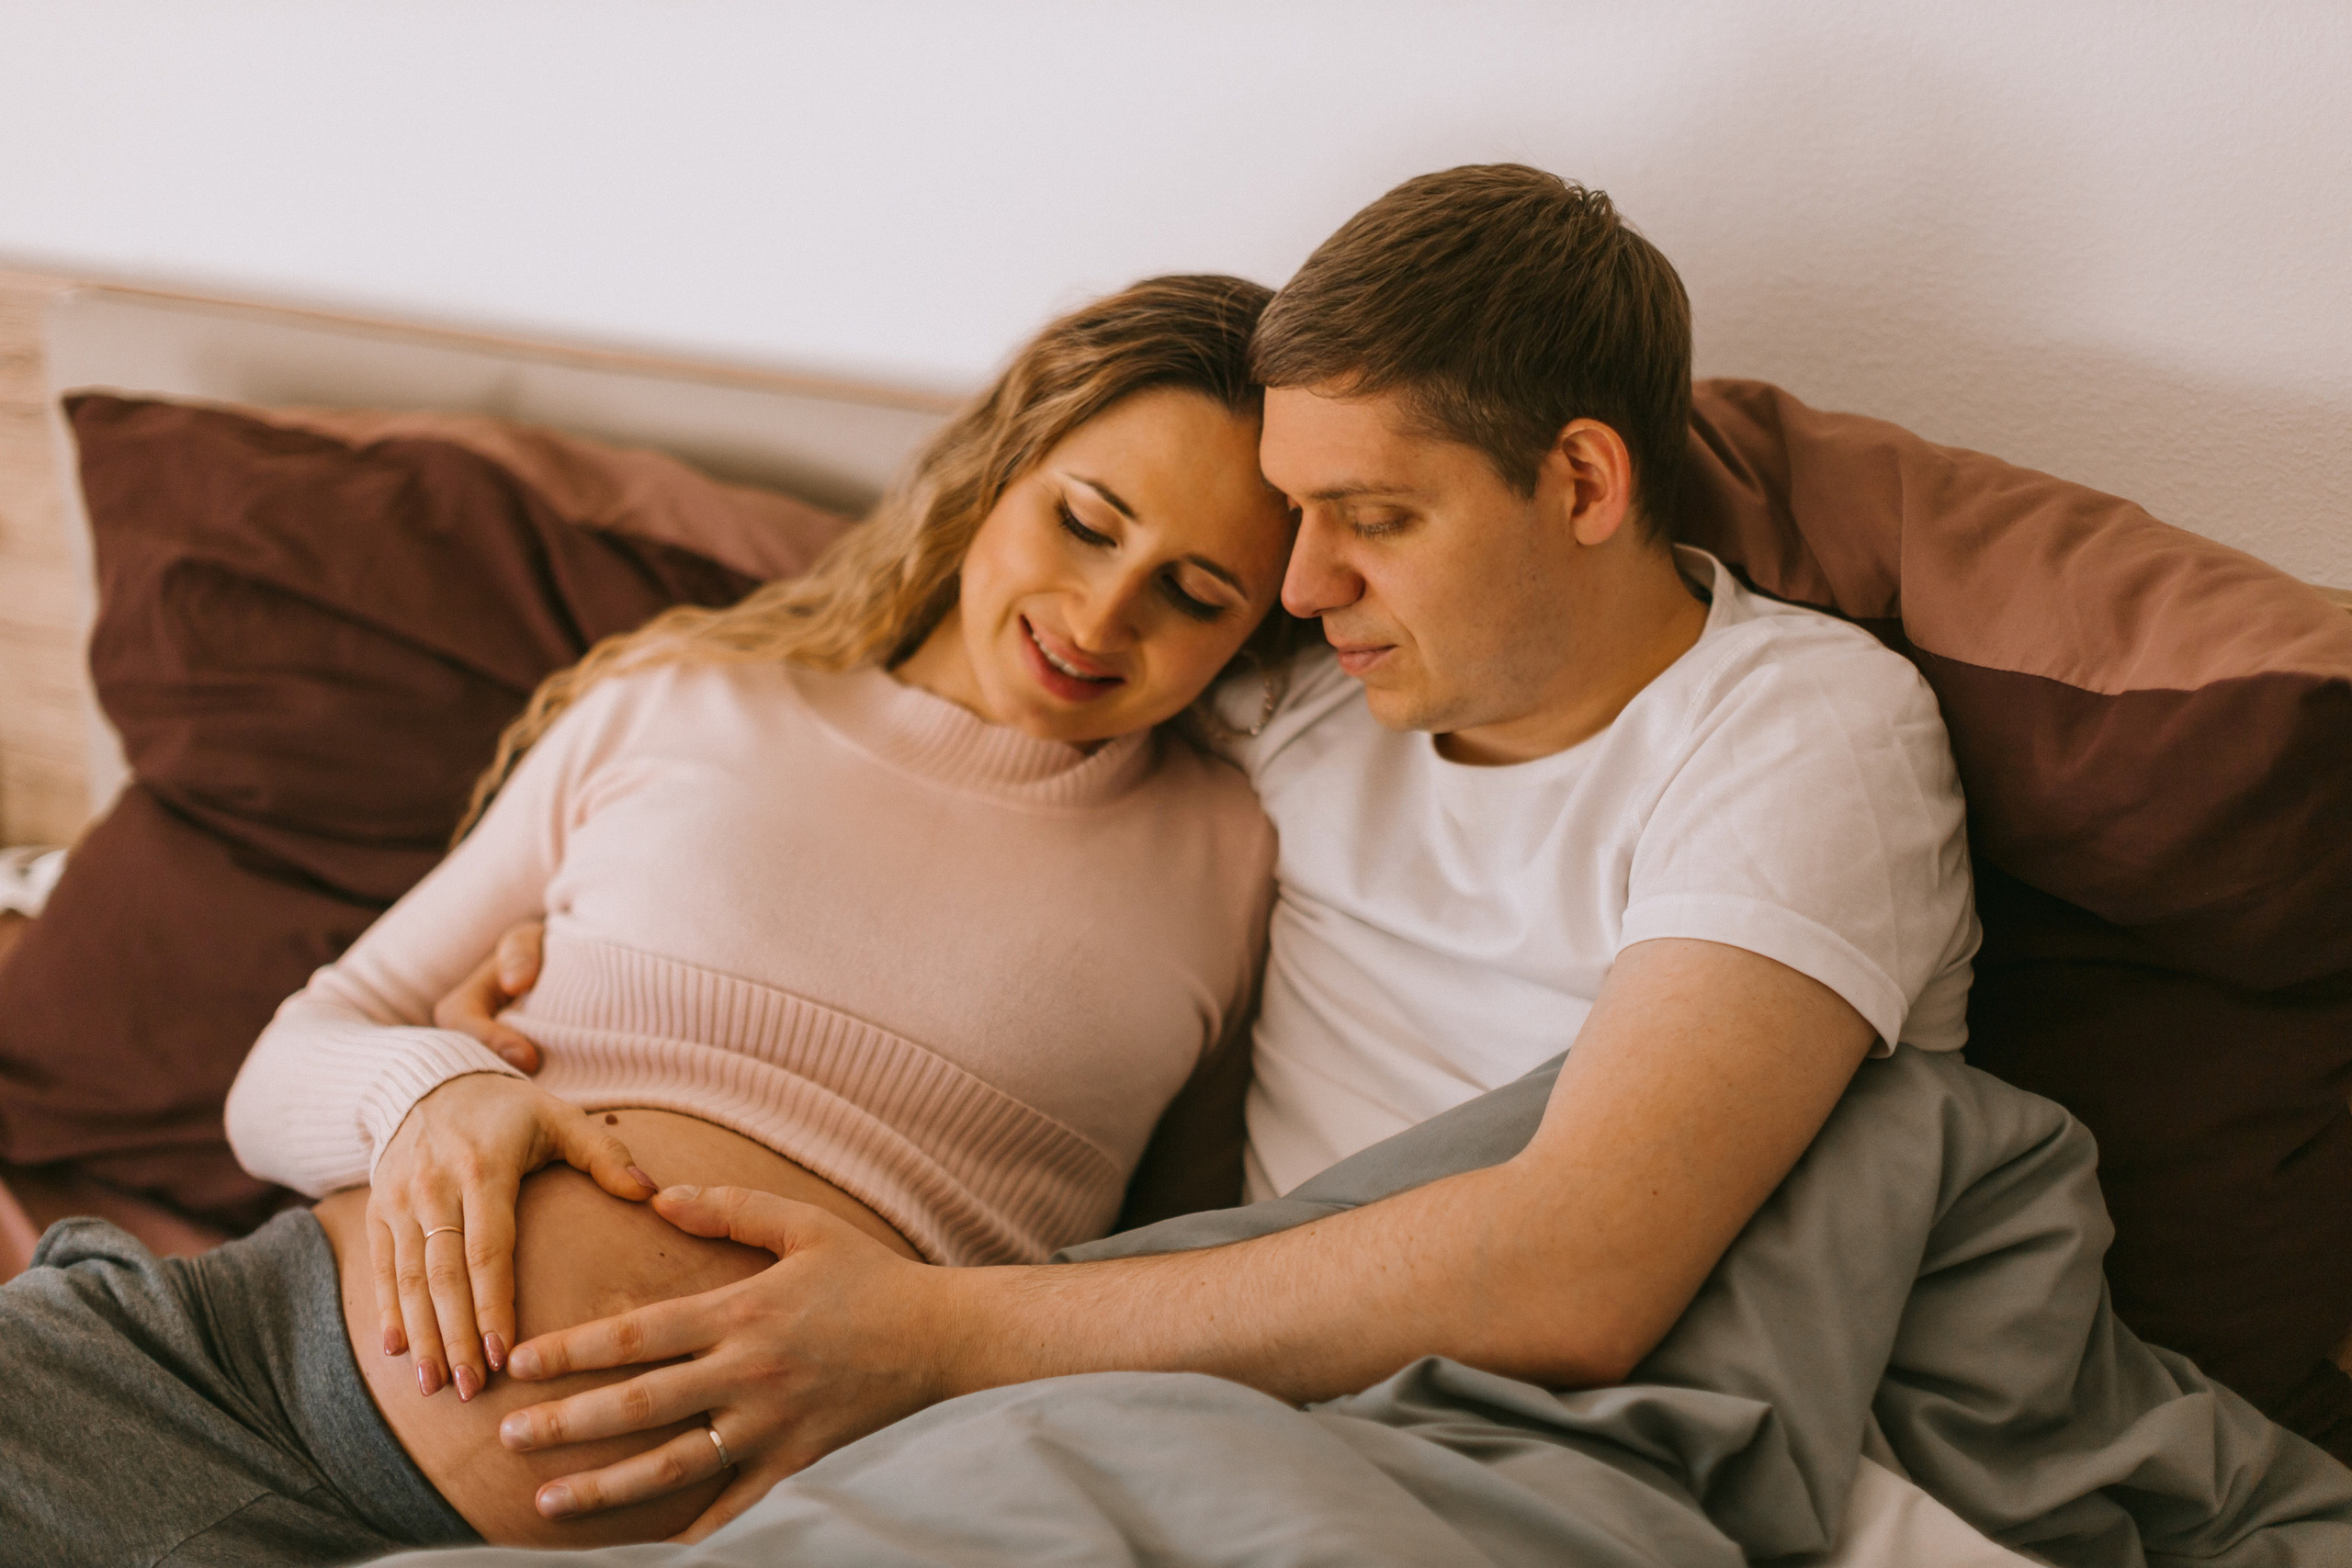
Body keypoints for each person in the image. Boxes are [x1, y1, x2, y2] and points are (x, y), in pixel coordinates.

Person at [449, 164, 1980, 1541]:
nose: (1302, 586)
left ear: (1582, 483)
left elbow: (1577, 1274)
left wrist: (935, 1332)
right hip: (1214, 1414)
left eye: (1371, 516)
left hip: (1545, 1425)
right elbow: (979, 700)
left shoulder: (1800, 729)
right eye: (1295, 519)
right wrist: (566, 964)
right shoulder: (1302, 694)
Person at [0, 274, 1306, 1562]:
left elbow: (1181, 1274)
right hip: (231, 1381)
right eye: (1085, 522)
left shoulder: (1232, 863)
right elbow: (276, 1076)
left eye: (1197, 595)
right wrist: (429, 1092)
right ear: (994, 472)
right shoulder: (685, 700)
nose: (1102, 613)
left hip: (770, 1527)